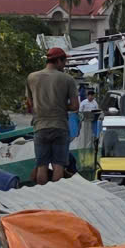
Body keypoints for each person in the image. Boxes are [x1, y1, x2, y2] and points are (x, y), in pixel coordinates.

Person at [24, 45, 80, 183]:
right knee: (58, 165)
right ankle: (56, 196)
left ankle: (42, 196)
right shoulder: (68, 79)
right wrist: (60, 106)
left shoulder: (32, 77)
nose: (65, 65)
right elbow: (75, 106)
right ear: (59, 61)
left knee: (41, 166)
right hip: (60, 126)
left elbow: (29, 104)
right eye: (64, 62)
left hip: (40, 126)